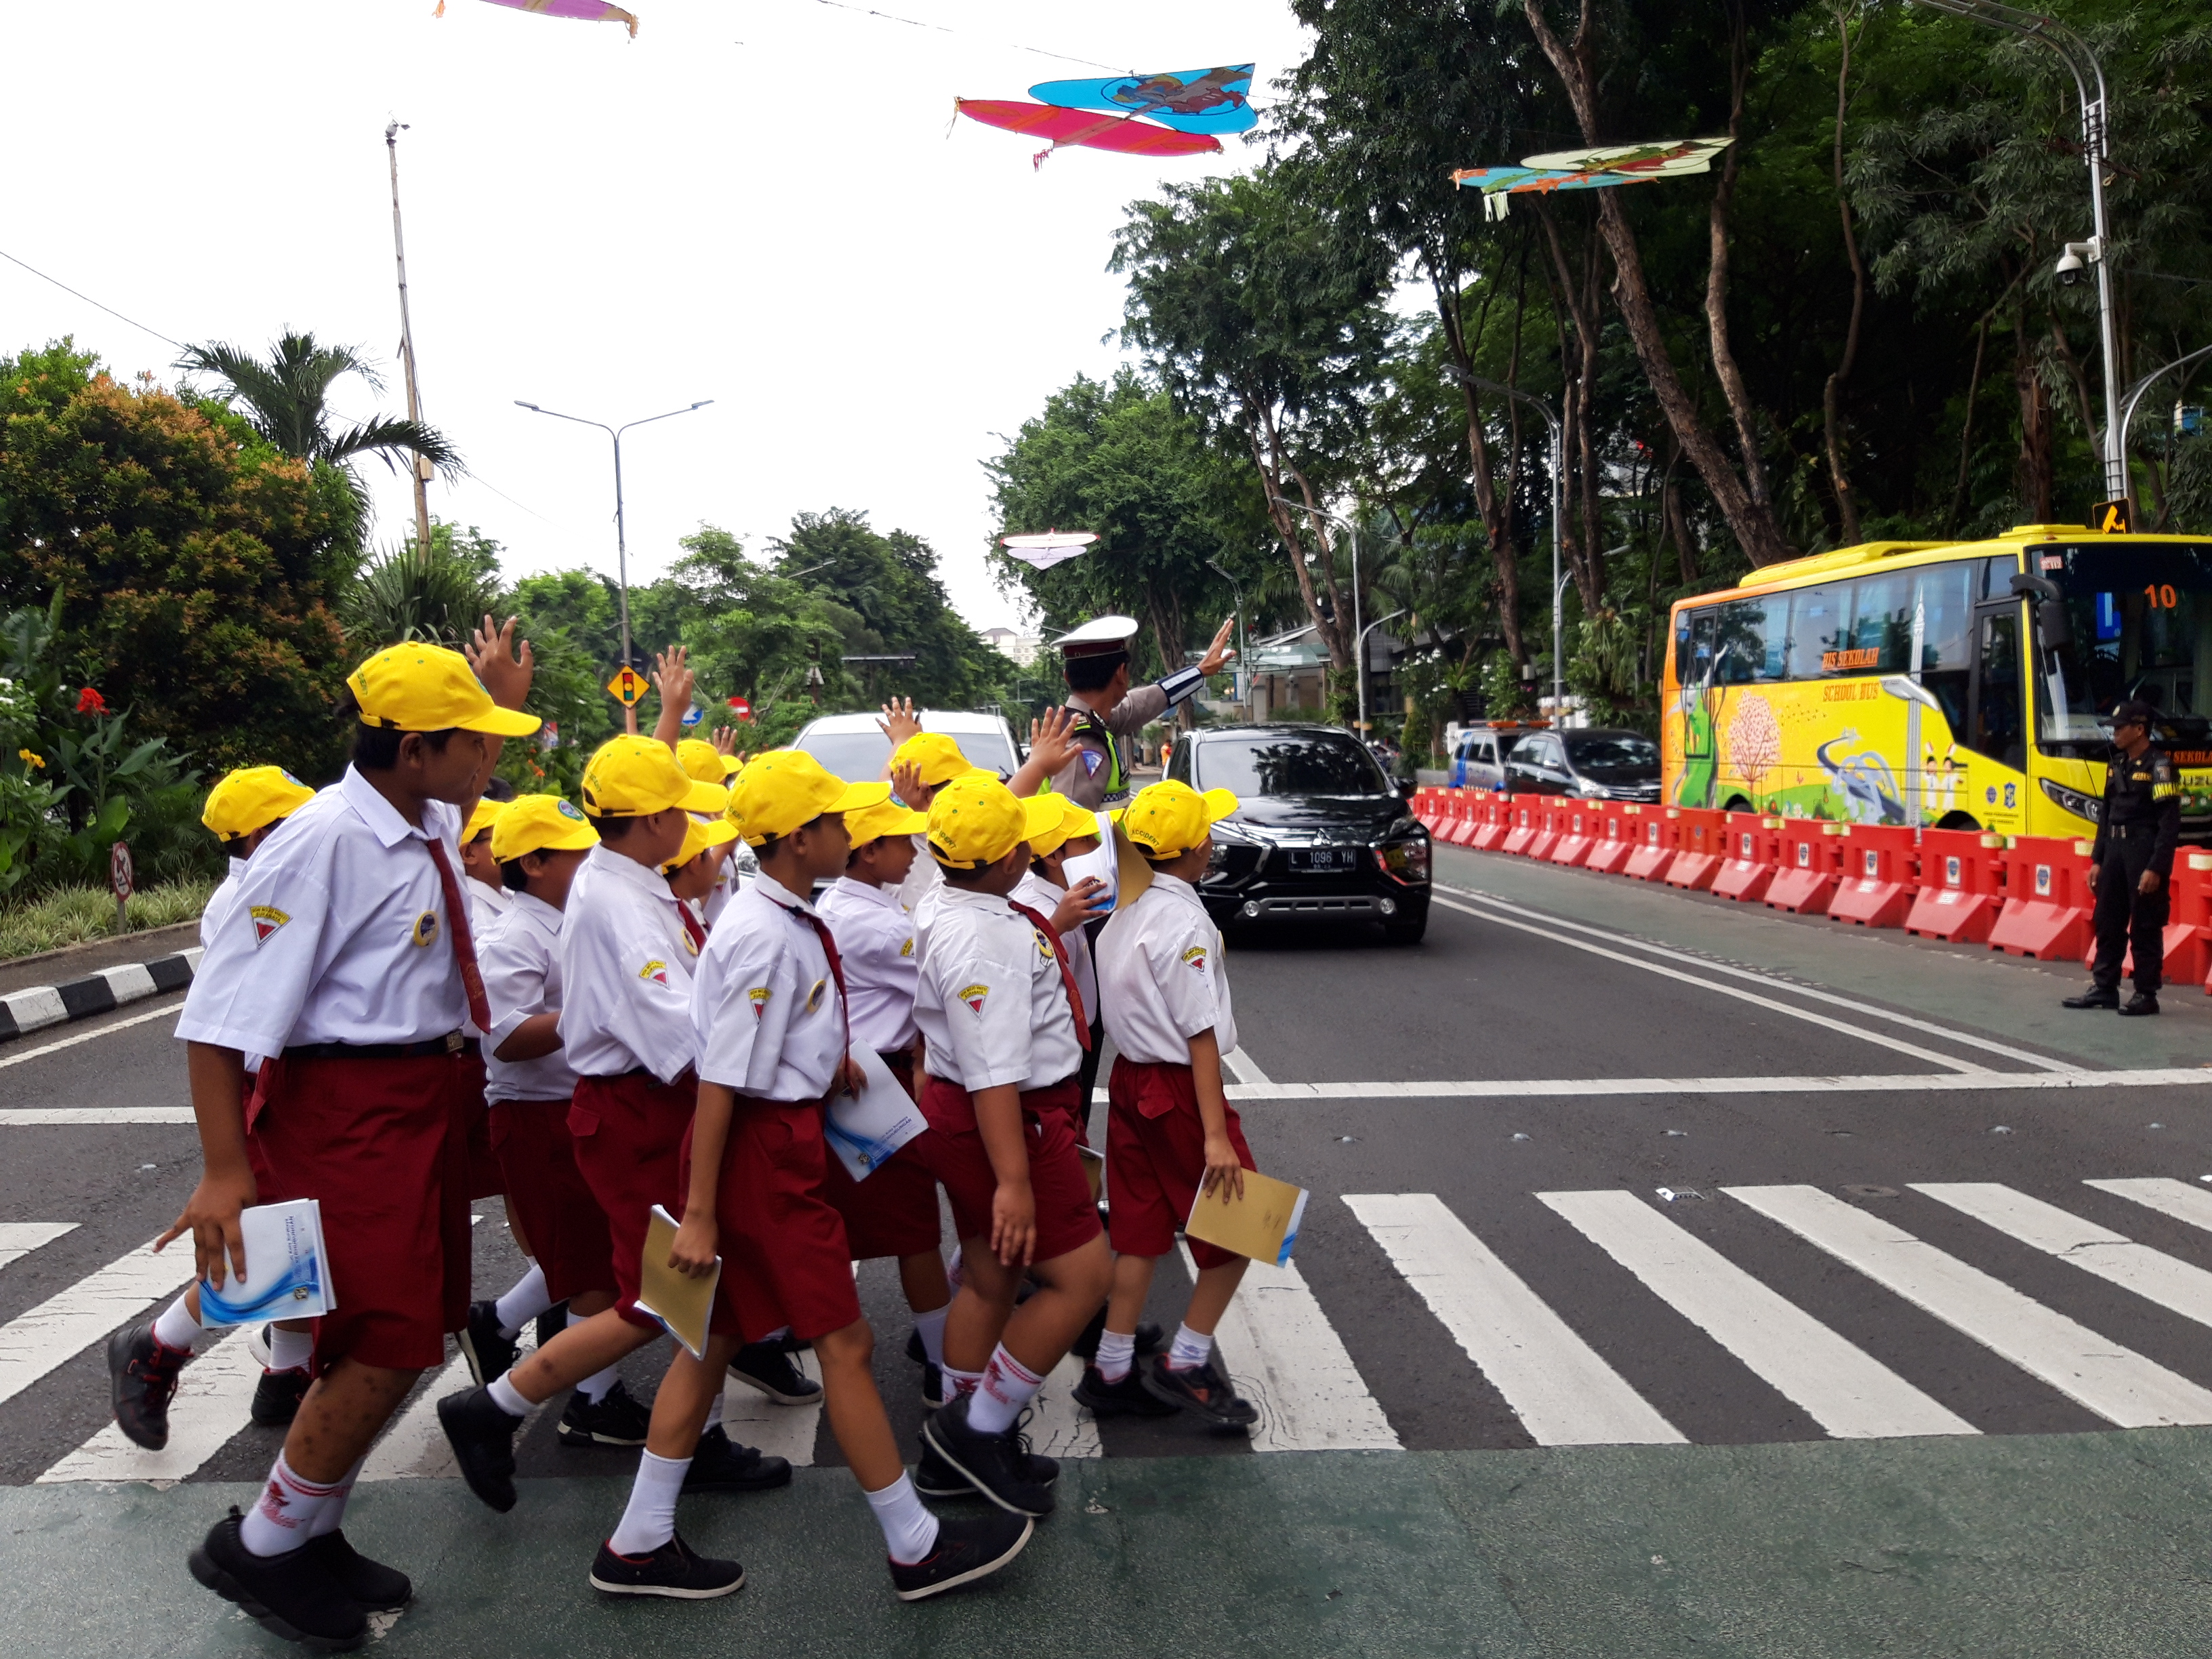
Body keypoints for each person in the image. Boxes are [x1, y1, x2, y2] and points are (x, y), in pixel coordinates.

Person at [160, 627, 539, 1652]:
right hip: (348, 1108)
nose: (484, 764)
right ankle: (269, 1546)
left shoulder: (415, 818)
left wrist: (492, 698)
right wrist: (225, 1171)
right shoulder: (324, 841)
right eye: (473, 743)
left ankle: (308, 1527)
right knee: (380, 1336)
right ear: (414, 750)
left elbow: (463, 779)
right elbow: (218, 1016)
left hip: (420, 1098)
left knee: (412, 1330)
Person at [668, 747, 1031, 1602]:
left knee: (709, 1340)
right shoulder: (765, 930)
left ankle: (641, 1535)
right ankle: (914, 1544)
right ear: (800, 839)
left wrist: (819, 1058)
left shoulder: (786, 915)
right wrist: (698, 1209)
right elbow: (720, 1077)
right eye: (837, 821)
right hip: (764, 1147)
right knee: (844, 1340)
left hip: (778, 1131)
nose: (851, 831)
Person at [436, 737, 789, 1529]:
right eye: (684, 811)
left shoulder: (625, 885)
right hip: (640, 1112)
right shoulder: (622, 906)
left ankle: (691, 1440)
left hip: (643, 1106)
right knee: (663, 1297)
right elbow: (681, 1035)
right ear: (658, 819)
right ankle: (499, 1406)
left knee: (693, 1294)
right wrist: (765, 1068)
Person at [902, 773, 1115, 1517]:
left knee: (992, 1277)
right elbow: (994, 1069)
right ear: (1008, 860)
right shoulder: (984, 937)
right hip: (1008, 1118)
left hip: (974, 1113)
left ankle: (956, 1443)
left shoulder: (951, 897)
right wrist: (1014, 1181)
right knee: (1084, 1278)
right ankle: (977, 1428)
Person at [110, 766, 320, 1452]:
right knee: (274, 1240)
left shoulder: (273, 885)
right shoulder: (252, 901)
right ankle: (159, 1345)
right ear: (259, 834)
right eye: (291, 823)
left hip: (293, 1085)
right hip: (266, 1090)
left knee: (300, 1231)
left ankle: (288, 1372)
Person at [466, 793, 651, 1446]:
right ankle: (594, 1402)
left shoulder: (571, 920)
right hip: (534, 1112)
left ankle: (499, 1323)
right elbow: (505, 1034)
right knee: (592, 1261)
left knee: (594, 1246)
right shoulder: (514, 935)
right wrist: (595, 1015)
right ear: (537, 862)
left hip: (573, 1103)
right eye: (579, 855)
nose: (592, 864)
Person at [1079, 779, 1260, 1429]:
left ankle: (1112, 1365)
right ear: (1199, 849)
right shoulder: (1182, 920)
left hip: (1130, 1083)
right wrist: (1215, 1134)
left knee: (1140, 1230)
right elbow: (1200, 1034)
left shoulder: (1122, 914)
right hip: (1179, 1090)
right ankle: (1187, 1361)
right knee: (1244, 1227)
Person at [815, 791, 956, 1406]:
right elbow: (942, 978)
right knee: (914, 1227)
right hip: (876, 1081)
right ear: (868, 852)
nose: (913, 850)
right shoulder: (872, 922)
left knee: (881, 1222)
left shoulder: (849, 904)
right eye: (903, 841)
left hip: (872, 1074)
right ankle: (942, 1364)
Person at [2065, 698, 2182, 1016]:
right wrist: (2097, 860)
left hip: (2142, 852)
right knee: (2108, 921)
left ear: (2140, 729)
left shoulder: (2160, 767)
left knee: (2145, 923)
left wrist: (2156, 867)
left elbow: (2169, 823)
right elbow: (2106, 816)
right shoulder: (2117, 765)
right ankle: (2104, 988)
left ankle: (2146, 993)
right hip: (2114, 853)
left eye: (2120, 728)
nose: (2114, 734)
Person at [1048, 614, 1237, 811]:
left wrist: (1199, 672)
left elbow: (1143, 702)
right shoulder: (1080, 745)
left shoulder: (1091, 723)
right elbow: (1069, 834)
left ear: (1067, 677)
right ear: (1121, 673)